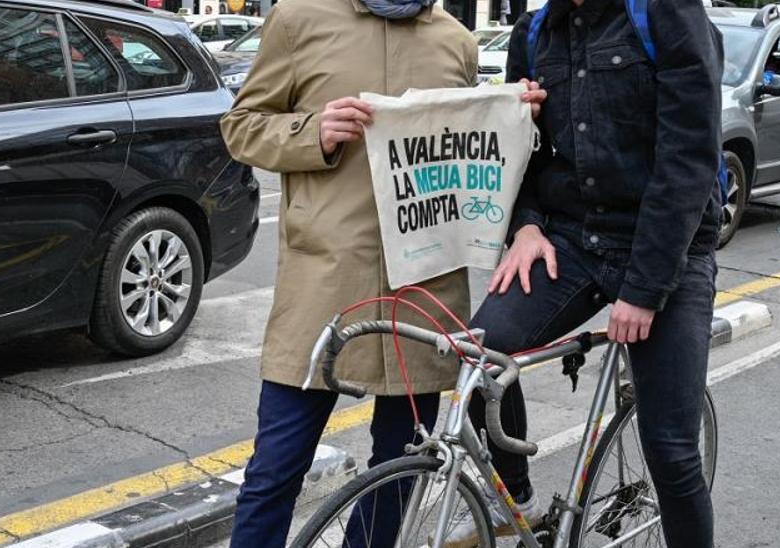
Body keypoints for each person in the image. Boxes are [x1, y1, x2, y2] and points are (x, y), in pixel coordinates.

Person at [218, 0, 546, 545]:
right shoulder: (298, 18)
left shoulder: (456, 40)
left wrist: (513, 118)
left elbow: (471, 148)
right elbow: (241, 127)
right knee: (275, 470)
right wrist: (313, 131)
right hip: (323, 285)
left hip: (424, 288)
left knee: (400, 471)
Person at [446, 0, 723, 547]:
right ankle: (514, 496)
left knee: (670, 449)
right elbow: (520, 143)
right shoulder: (533, 32)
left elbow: (688, 158)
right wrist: (525, 225)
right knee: (481, 354)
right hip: (572, 238)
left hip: (669, 248)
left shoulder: (665, 13)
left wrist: (643, 291)